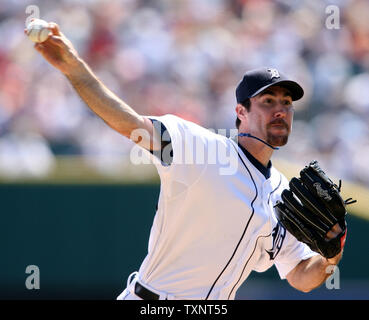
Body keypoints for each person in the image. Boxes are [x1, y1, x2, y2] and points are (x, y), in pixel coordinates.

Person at [29, 22, 344, 300]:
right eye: (268, 101)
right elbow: (128, 123)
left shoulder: (284, 193)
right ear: (241, 112)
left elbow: (301, 276)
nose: (280, 110)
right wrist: (75, 70)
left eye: (287, 103)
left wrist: (332, 254)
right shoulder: (201, 148)